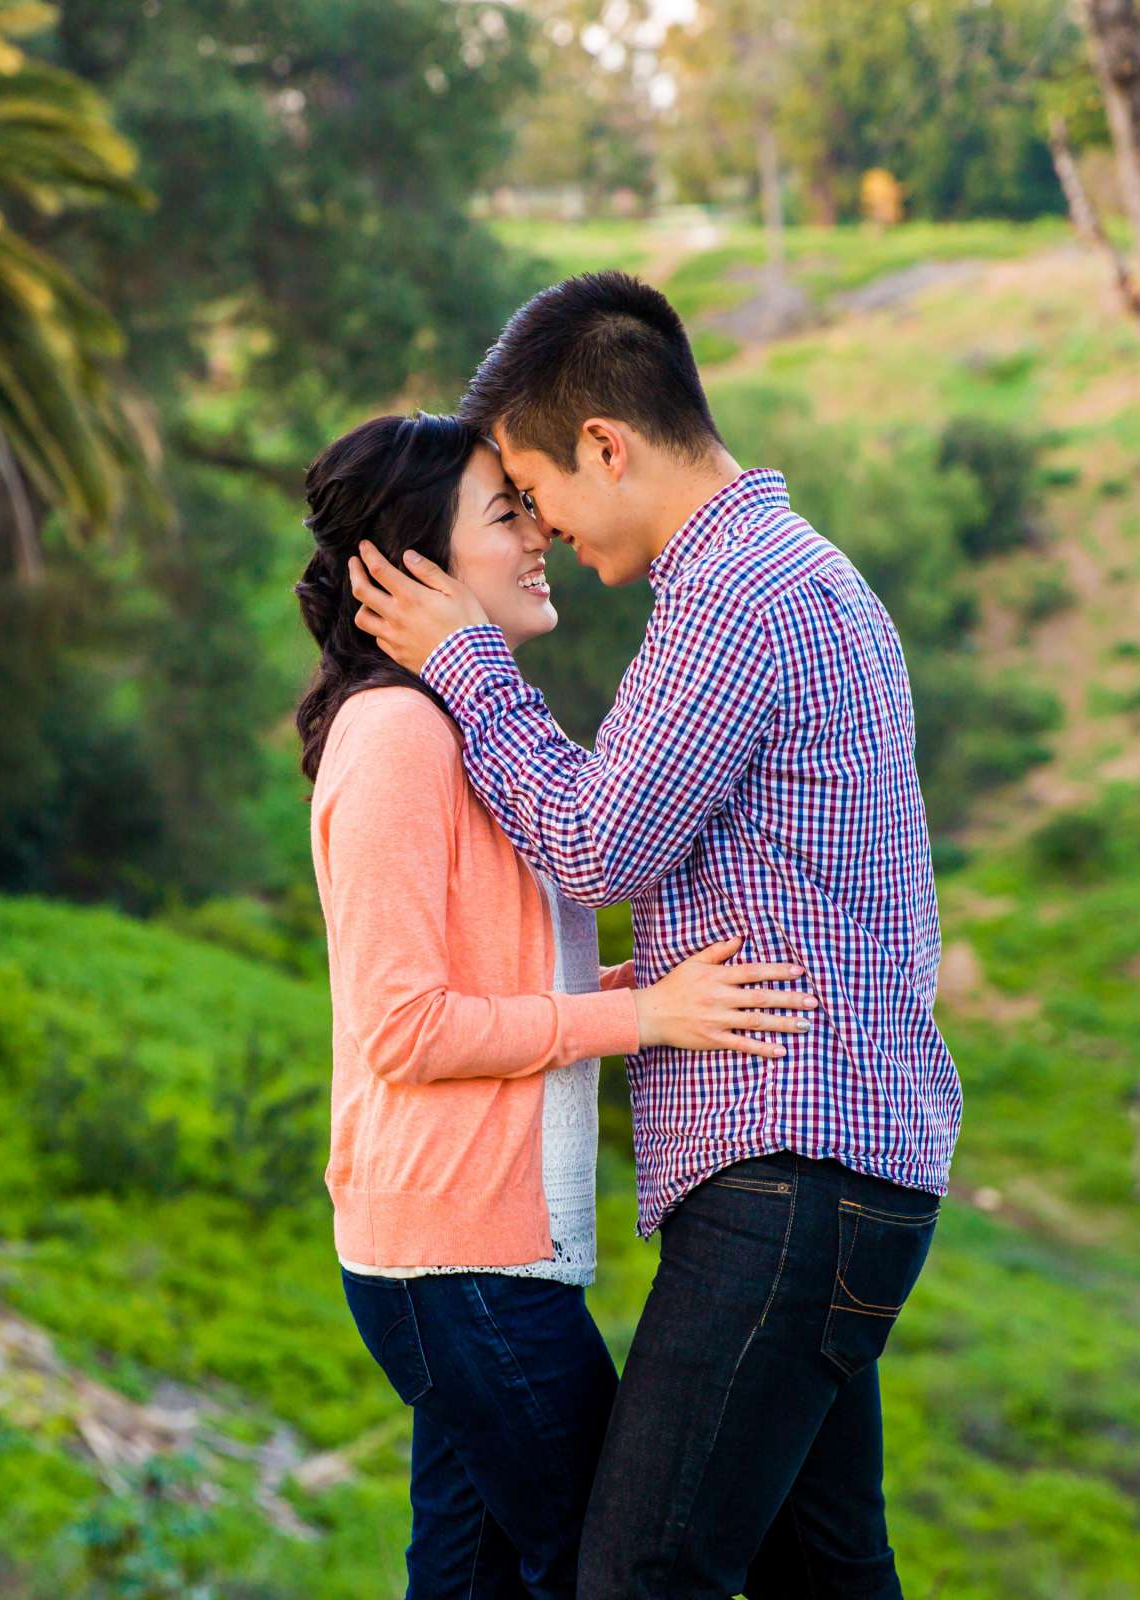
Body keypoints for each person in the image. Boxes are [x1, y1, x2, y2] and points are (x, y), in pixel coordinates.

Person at [346, 273, 963, 1600]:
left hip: (790, 1173)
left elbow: (597, 847)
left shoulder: (737, 596)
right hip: (829, 1172)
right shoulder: (783, 576)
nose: (544, 531)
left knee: (637, 1572)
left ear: (606, 448)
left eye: (534, 491)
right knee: (825, 1568)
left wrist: (466, 665)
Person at [297, 410, 818, 1600]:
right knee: (604, 1564)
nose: (540, 534)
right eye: (504, 513)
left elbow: (502, 981)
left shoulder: (460, 730)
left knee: (474, 1580)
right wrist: (639, 1018)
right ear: (418, 563)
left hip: (487, 1265)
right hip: (453, 1266)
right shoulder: (394, 737)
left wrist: (667, 986)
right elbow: (405, 1026)